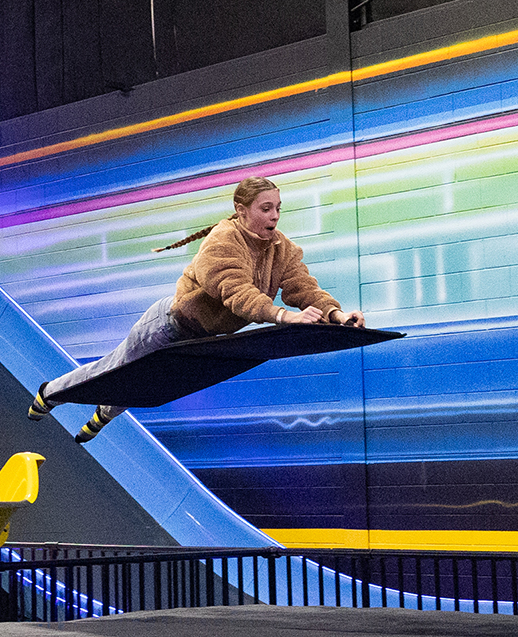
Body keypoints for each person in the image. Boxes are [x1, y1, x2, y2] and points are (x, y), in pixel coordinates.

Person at [27, 176, 365, 443]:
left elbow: (303, 287)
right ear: (241, 209)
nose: (274, 216)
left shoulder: (282, 248)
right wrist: (283, 316)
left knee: (146, 385)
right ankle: (50, 393)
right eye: (265, 208)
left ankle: (103, 413)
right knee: (114, 370)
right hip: (166, 326)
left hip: (200, 340)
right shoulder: (222, 240)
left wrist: (336, 315)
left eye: (278, 208)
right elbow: (235, 292)